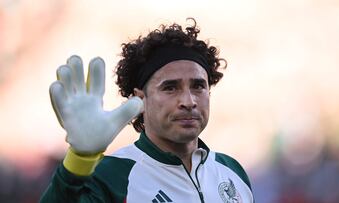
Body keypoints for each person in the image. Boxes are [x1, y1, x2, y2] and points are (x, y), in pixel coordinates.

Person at [40, 18, 254, 203]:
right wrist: (79, 160)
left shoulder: (232, 171)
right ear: (140, 99)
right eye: (170, 88)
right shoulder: (114, 175)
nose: (188, 101)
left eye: (198, 86)